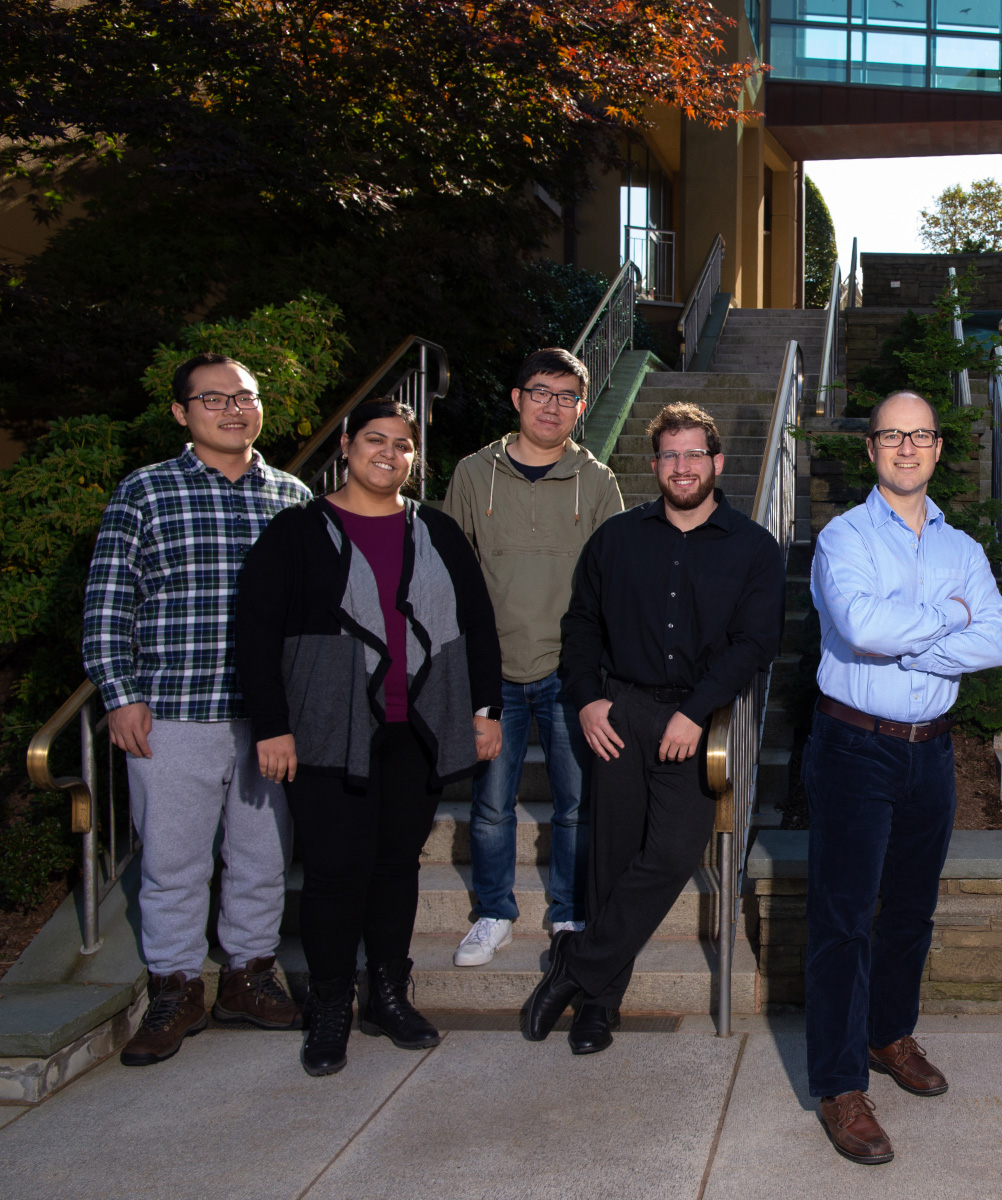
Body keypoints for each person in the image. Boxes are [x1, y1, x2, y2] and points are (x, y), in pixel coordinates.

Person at [236, 399, 503, 1077]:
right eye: (376, 440)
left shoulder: (438, 532)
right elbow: (256, 635)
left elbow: (477, 623)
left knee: (395, 868)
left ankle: (389, 992)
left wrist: (485, 709)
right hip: (326, 730)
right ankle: (330, 1007)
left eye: (404, 445)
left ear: (416, 458)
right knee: (332, 872)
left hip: (413, 728)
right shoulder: (296, 532)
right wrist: (272, 725)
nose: (390, 453)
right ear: (348, 446)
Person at [521, 402, 784, 1055]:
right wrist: (585, 700)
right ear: (655, 464)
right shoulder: (617, 537)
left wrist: (697, 712)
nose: (682, 466)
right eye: (670, 455)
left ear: (717, 463)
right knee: (612, 858)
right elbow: (581, 625)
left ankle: (574, 966)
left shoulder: (753, 547)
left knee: (669, 854)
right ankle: (598, 1007)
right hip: (620, 712)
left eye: (695, 454)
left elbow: (756, 643)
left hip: (697, 716)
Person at [82, 353, 312, 1067]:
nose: (233, 409)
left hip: (268, 719)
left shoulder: (291, 496)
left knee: (261, 857)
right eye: (214, 399)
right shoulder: (146, 493)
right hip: (174, 714)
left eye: (244, 396)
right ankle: (177, 987)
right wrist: (121, 696)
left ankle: (248, 976)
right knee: (174, 864)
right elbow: (108, 604)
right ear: (183, 412)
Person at [804, 391, 1002, 1165]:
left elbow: (995, 641)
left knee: (912, 911)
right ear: (872, 449)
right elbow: (861, 629)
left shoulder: (961, 548)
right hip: (855, 745)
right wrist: (949, 621)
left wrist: (914, 638)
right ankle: (838, 1084)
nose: (907, 447)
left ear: (937, 446)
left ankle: (889, 1034)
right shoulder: (842, 536)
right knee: (844, 918)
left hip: (932, 750)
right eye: (892, 434)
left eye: (921, 434)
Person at [443, 348, 624, 965]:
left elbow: (611, 582)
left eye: (567, 395)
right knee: (491, 804)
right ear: (517, 397)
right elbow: (453, 575)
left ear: (580, 405)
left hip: (568, 672)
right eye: (541, 392)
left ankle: (569, 913)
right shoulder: (473, 473)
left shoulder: (597, 480)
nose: (553, 405)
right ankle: (494, 912)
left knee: (576, 803)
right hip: (493, 668)